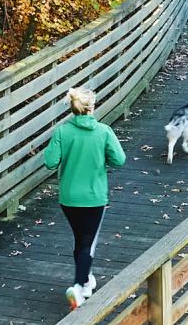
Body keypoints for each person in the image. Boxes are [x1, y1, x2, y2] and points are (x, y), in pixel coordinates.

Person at [43, 87, 126, 309]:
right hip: (94, 197)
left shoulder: (62, 132)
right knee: (87, 243)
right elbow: (119, 160)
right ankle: (78, 287)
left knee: (81, 240)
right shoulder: (104, 131)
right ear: (92, 107)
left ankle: (86, 280)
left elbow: (50, 161)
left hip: (69, 198)